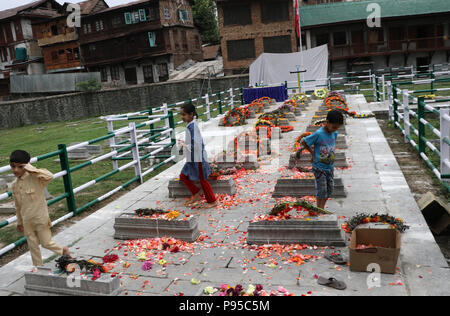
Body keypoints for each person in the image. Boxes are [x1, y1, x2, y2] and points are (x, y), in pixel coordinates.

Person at [10, 150, 71, 267]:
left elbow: (50, 176)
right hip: (27, 220)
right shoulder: (14, 185)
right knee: (33, 246)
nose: (16, 170)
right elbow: (18, 206)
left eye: (20, 166)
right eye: (13, 167)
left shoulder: (36, 177)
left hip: (40, 218)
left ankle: (63, 250)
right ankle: (38, 267)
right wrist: (19, 221)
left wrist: (30, 168)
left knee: (46, 242)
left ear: (27, 165)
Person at [296, 110, 344, 210]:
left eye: (337, 127)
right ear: (327, 122)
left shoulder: (334, 133)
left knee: (330, 189)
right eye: (334, 127)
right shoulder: (318, 133)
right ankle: (320, 208)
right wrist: (312, 153)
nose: (335, 129)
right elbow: (304, 142)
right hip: (319, 167)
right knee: (322, 189)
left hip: (329, 167)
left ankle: (321, 207)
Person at [178, 103, 217, 208]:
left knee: (202, 179)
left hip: (198, 158)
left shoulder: (193, 126)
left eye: (184, 115)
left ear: (191, 114)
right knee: (183, 175)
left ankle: (212, 201)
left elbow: (197, 144)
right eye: (181, 114)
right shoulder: (190, 125)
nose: (182, 117)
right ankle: (195, 194)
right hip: (192, 158)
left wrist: (185, 145)